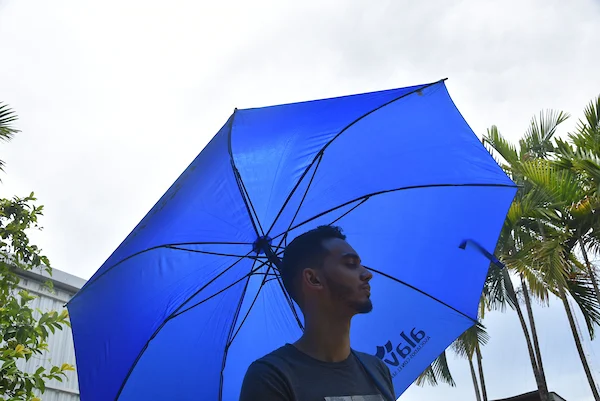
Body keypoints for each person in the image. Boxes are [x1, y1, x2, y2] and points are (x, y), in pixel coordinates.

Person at [239, 225, 395, 401]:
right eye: (351, 264)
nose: (367, 274)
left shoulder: (377, 369)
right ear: (313, 279)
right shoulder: (271, 377)